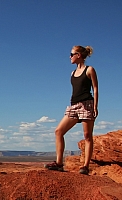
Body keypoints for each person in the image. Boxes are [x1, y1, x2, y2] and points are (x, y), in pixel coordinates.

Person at [44, 46, 98, 175]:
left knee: (87, 136)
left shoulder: (89, 70)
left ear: (78, 55)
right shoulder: (72, 73)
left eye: (72, 54)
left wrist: (95, 107)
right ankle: (59, 163)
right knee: (58, 131)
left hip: (87, 104)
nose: (70, 57)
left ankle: (85, 166)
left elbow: (95, 89)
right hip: (73, 106)